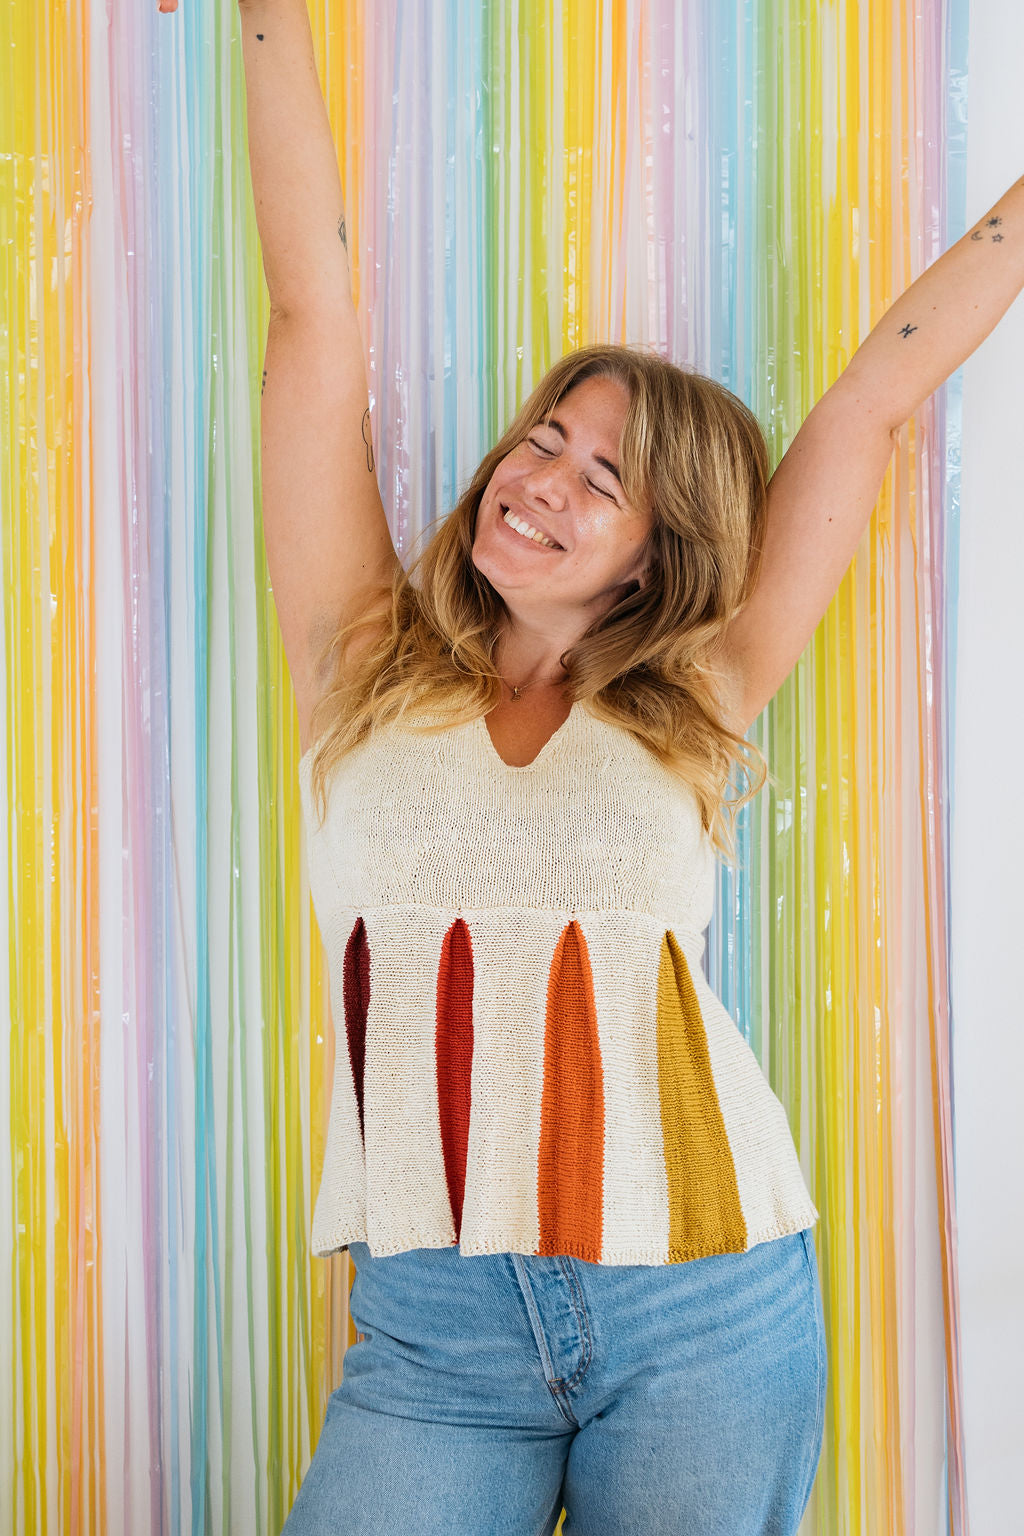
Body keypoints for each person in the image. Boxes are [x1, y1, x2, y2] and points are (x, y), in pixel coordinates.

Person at [159, 1, 1023, 1531]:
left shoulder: (703, 690)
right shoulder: (363, 664)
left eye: (601, 479)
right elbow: (313, 313)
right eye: (545, 440)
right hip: (437, 1332)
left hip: (709, 1308)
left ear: (655, 558)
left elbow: (873, 403)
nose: (537, 479)